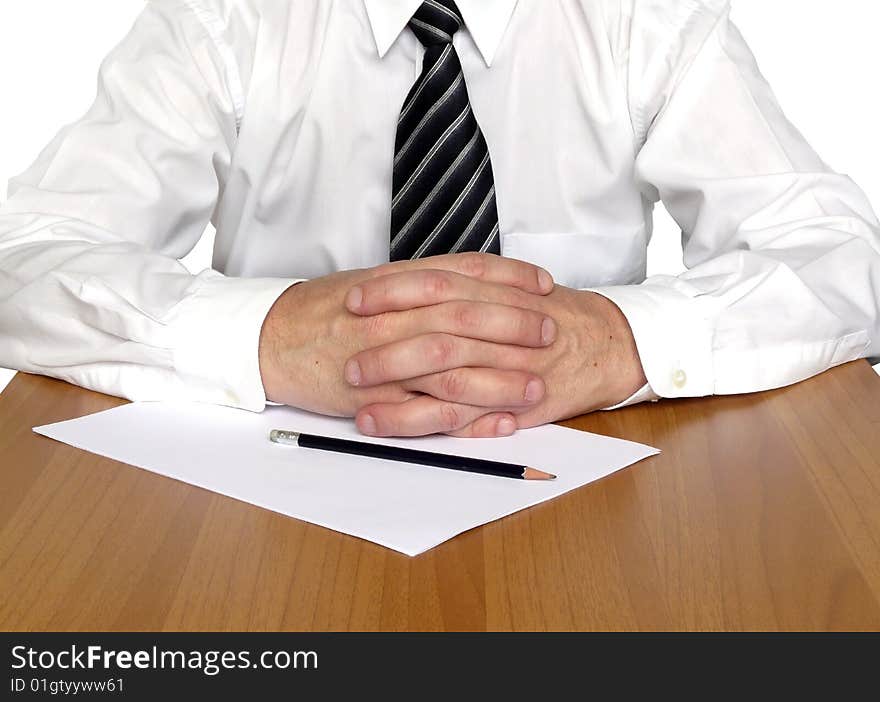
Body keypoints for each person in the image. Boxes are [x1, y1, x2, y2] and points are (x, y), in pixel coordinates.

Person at [0, 0, 877, 439]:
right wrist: (267, 336)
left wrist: (620, 339)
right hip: (264, 490)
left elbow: (840, 256)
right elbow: (26, 260)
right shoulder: (224, 19)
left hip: (583, 482)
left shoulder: (647, 17)